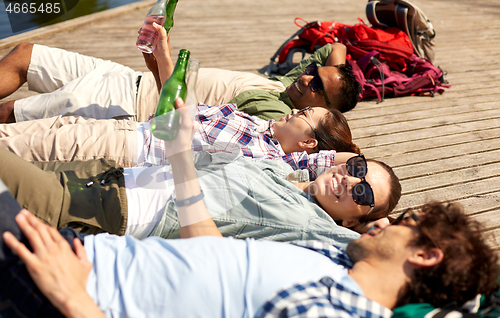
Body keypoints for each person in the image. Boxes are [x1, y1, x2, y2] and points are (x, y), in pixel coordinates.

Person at [0, 101, 496, 318]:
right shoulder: (331, 259)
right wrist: (179, 154)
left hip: (72, 293)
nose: (387, 223)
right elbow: (210, 251)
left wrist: (72, 298)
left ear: (426, 255)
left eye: (404, 222)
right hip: (80, 254)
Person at [0, 98, 400, 245]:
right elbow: (334, 163)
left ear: (354, 221)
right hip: (113, 173)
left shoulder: (311, 226)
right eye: (360, 170)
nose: (352, 181)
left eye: (362, 194)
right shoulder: (287, 175)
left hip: (115, 208)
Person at [0, 23, 361, 123]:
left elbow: (192, 119)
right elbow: (333, 50)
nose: (307, 77)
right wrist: (337, 77)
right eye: (314, 72)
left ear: (323, 107)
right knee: (25, 54)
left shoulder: (277, 114)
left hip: (130, 103)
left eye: (316, 84)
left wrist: (163, 64)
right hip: (130, 77)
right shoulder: (286, 85)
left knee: (11, 115)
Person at [0, 102, 359, 179]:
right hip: (127, 126)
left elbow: (338, 162)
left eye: (304, 116)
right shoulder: (256, 123)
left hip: (124, 148)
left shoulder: (273, 161)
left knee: (12, 151)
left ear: (309, 144)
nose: (296, 111)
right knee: (11, 138)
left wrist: (352, 154)